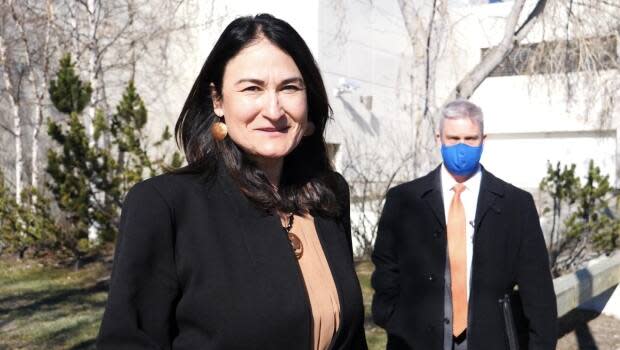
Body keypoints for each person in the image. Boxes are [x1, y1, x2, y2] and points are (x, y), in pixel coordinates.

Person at [97, 14, 367, 350]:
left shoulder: (327, 195)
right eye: (252, 88)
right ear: (218, 100)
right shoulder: (165, 205)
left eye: (289, 87)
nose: (274, 109)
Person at [371, 100, 557, 350]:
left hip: (492, 340)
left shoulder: (517, 205)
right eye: (453, 137)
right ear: (439, 138)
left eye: (470, 138)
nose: (461, 146)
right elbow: (385, 268)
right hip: (415, 341)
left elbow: (538, 292)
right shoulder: (403, 199)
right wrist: (390, 316)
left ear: (483, 139)